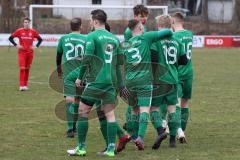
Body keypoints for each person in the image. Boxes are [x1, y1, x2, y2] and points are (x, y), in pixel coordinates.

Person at [67, 9, 122, 157]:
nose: (90, 22)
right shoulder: (115, 39)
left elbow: (88, 57)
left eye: (91, 20)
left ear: (96, 21)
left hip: (96, 82)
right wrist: (120, 86)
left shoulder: (92, 36)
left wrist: (80, 77)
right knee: (110, 115)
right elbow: (119, 65)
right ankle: (111, 149)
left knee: (82, 111)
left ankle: (81, 147)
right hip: (110, 83)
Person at [121, 19, 172, 150]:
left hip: (130, 81)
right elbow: (167, 32)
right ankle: (140, 138)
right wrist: (170, 33)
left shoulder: (125, 44)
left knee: (133, 110)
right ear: (140, 28)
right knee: (144, 109)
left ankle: (132, 135)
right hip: (144, 80)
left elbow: (122, 64)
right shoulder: (146, 37)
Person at [150, 14, 188, 148]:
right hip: (173, 79)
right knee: (173, 110)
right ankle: (172, 140)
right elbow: (184, 60)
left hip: (159, 81)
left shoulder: (155, 41)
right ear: (170, 25)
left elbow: (153, 60)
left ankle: (160, 132)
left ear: (159, 26)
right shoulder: (177, 41)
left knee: (153, 108)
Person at [56, 17, 86, 138]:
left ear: (70, 27)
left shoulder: (63, 38)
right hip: (81, 74)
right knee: (78, 101)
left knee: (69, 100)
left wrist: (58, 69)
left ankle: (70, 129)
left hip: (68, 73)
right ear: (81, 27)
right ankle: (76, 127)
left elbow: (59, 55)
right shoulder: (86, 38)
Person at [123, 4, 149, 141]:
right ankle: (132, 129)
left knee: (135, 105)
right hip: (136, 70)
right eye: (141, 16)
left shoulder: (143, 29)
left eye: (146, 16)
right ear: (136, 16)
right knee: (134, 105)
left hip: (141, 69)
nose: (144, 19)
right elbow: (128, 50)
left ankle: (132, 128)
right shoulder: (130, 32)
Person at [172, 12, 194, 143]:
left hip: (177, 73)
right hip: (189, 73)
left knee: (176, 103)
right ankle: (182, 131)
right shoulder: (190, 34)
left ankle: (179, 130)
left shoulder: (173, 36)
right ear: (183, 22)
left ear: (172, 22)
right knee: (185, 102)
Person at [9, 17, 42, 91]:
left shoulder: (33, 32)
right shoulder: (19, 31)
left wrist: (36, 46)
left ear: (29, 23)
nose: (26, 24)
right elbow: (10, 38)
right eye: (25, 22)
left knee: (27, 69)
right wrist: (16, 45)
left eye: (28, 22)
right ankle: (21, 86)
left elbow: (40, 39)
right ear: (23, 23)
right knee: (22, 69)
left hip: (30, 53)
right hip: (22, 53)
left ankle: (25, 85)